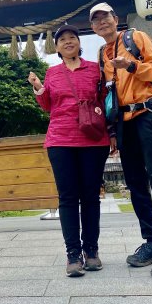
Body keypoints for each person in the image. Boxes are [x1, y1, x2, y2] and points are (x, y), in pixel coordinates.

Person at [89, 2, 152, 279]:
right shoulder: (101, 54)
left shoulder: (136, 37)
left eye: (105, 17)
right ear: (93, 28)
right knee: (134, 182)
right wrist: (110, 131)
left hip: (147, 112)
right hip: (123, 122)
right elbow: (107, 96)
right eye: (96, 20)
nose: (102, 23)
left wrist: (132, 65)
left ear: (115, 18)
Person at [28, 24, 111, 277]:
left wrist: (113, 134)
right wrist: (39, 87)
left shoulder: (95, 70)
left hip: (93, 140)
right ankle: (73, 254)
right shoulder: (52, 72)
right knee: (67, 198)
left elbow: (105, 101)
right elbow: (47, 106)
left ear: (78, 43)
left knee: (90, 197)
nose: (67, 41)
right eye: (62, 39)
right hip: (60, 140)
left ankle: (92, 251)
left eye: (72, 38)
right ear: (57, 47)